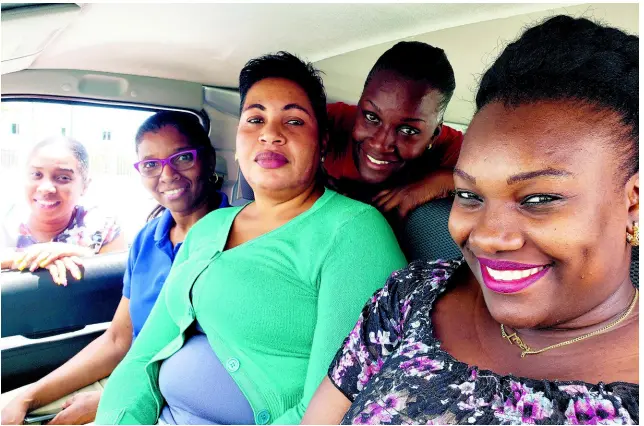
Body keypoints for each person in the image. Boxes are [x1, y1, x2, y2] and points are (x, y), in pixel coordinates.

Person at [302, 15, 639, 425]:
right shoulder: (413, 293)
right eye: (469, 195)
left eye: (539, 198)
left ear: (634, 203)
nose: (487, 238)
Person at [95, 52, 407, 425]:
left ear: (322, 142)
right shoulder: (210, 227)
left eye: (293, 121)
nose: (270, 134)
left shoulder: (353, 231)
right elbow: (143, 354)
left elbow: (336, 404)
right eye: (255, 119)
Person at [0, 111, 230, 425]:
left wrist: (119, 396)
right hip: (132, 376)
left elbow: (223, 359)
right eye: (151, 164)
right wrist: (29, 397)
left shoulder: (238, 235)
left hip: (183, 398)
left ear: (208, 159)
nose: (167, 174)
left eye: (182, 158)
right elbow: (118, 340)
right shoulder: (148, 239)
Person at [323, 41, 463, 219]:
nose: (380, 144)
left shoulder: (453, 151)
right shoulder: (330, 122)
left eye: (408, 130)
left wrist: (445, 181)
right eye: (372, 117)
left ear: (434, 135)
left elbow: (504, 181)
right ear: (359, 106)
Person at [0, 136, 126, 285]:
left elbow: (118, 286)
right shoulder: (5, 222)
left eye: (63, 177)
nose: (46, 188)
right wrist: (22, 258)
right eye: (36, 175)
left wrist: (83, 256)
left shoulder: (104, 229)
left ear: (85, 186)